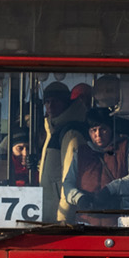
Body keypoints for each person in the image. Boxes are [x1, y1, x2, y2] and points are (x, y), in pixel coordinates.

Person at [61, 107, 129, 218]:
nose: (98, 135)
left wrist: (111, 189)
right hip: (86, 223)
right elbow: (68, 184)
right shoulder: (80, 153)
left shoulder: (126, 147)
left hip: (120, 220)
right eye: (93, 130)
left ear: (111, 129)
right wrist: (79, 198)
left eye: (103, 129)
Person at [37, 81, 88, 219]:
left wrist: (62, 221)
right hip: (49, 211)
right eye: (47, 102)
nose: (50, 106)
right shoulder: (52, 129)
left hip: (59, 216)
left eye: (56, 101)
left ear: (66, 103)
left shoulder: (70, 133)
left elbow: (69, 181)